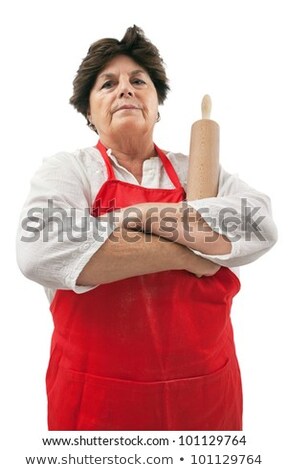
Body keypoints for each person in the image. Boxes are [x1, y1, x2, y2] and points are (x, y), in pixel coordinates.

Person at [16, 25, 277, 431]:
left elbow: (260, 225)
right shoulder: (68, 171)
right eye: (108, 83)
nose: (125, 89)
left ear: (157, 107)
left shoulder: (198, 171)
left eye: (139, 81)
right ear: (88, 111)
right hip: (96, 404)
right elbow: (40, 250)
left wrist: (134, 219)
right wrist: (189, 249)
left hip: (204, 397)